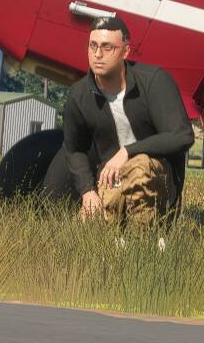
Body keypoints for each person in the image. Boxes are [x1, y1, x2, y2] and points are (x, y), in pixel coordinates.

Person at [40, 16, 193, 223]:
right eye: (92, 46)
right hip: (112, 179)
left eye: (107, 47)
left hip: (156, 179)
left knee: (139, 167)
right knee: (90, 225)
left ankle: (145, 237)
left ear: (126, 51)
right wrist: (87, 191)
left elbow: (182, 136)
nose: (97, 54)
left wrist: (128, 151)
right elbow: (74, 149)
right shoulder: (79, 94)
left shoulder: (154, 81)